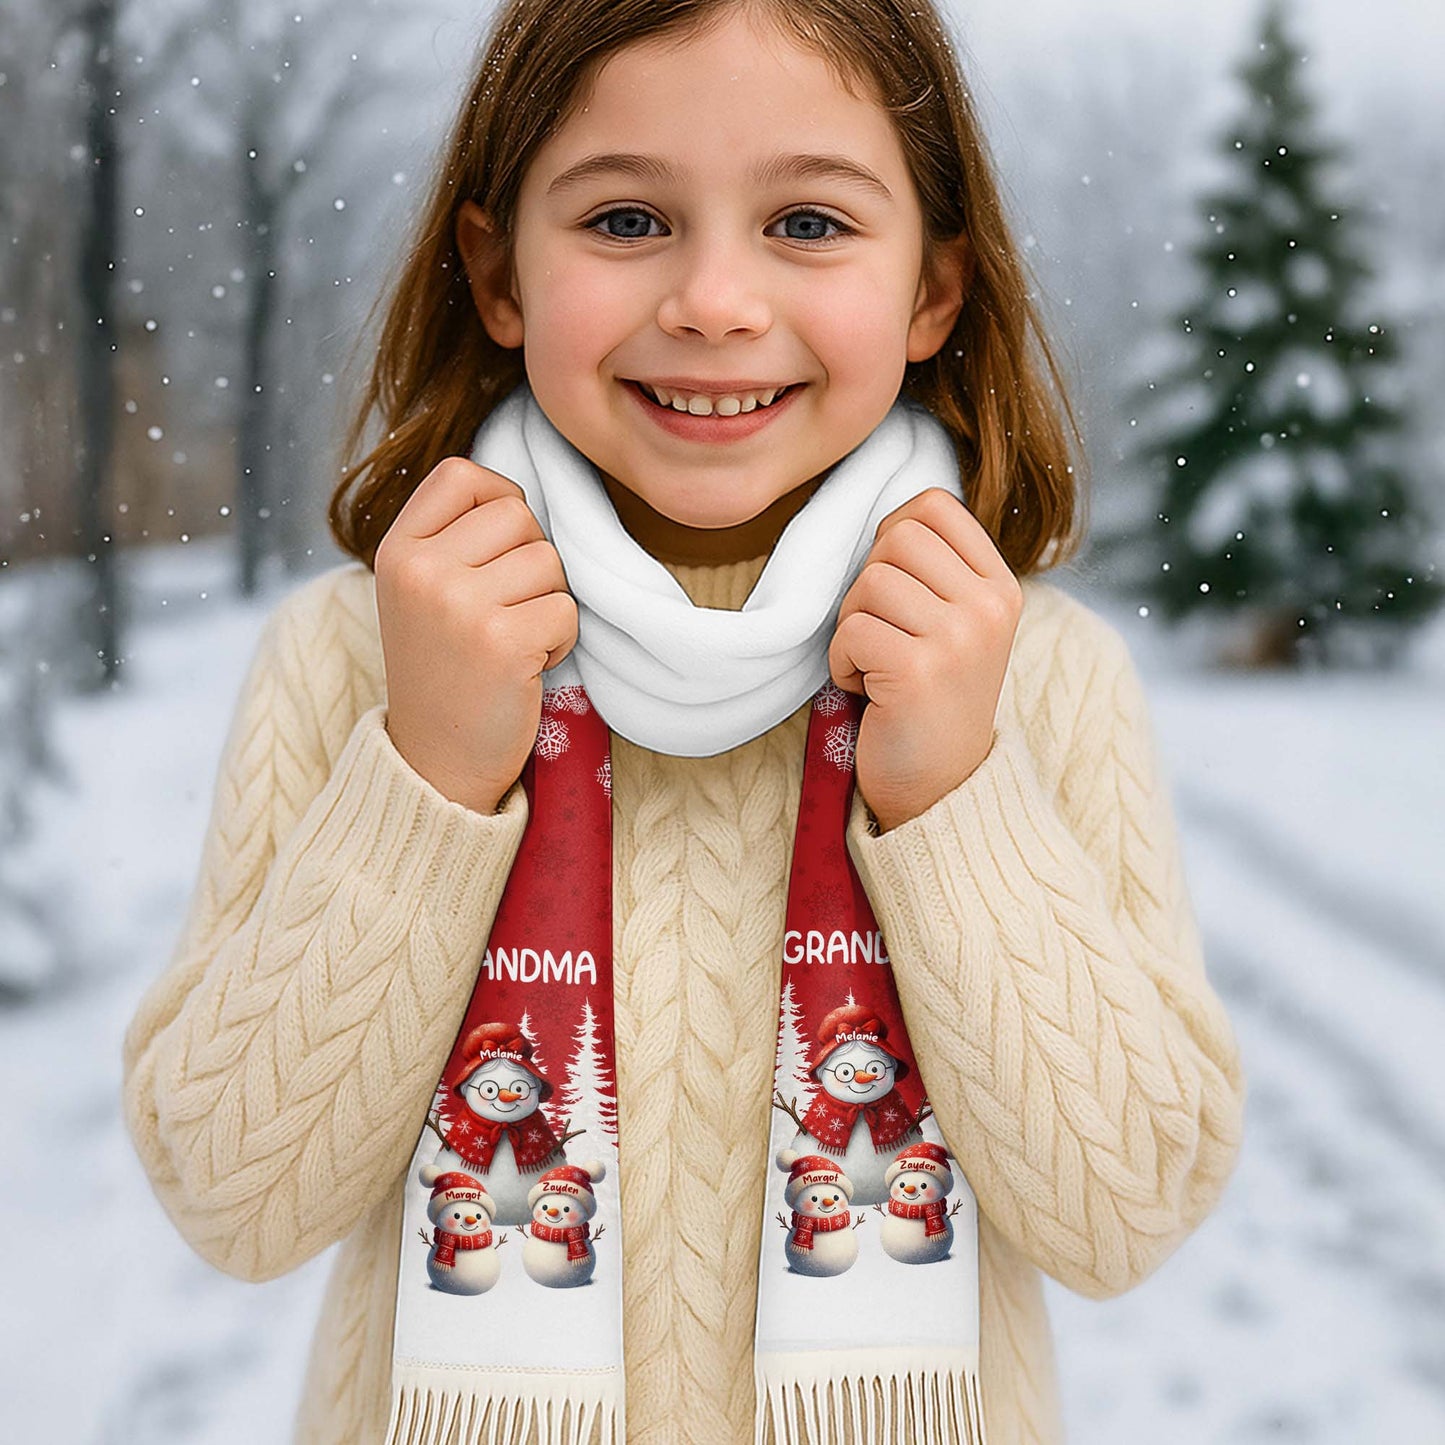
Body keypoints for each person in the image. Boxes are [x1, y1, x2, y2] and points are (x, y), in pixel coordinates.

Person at [120, 0, 1247, 1442]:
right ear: (495, 269)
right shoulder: (358, 662)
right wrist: (426, 782)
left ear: (934, 291)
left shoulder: (1032, 677)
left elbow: (1122, 1209)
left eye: (809, 224)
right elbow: (235, 1196)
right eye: (629, 219)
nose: (715, 299)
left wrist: (957, 799)